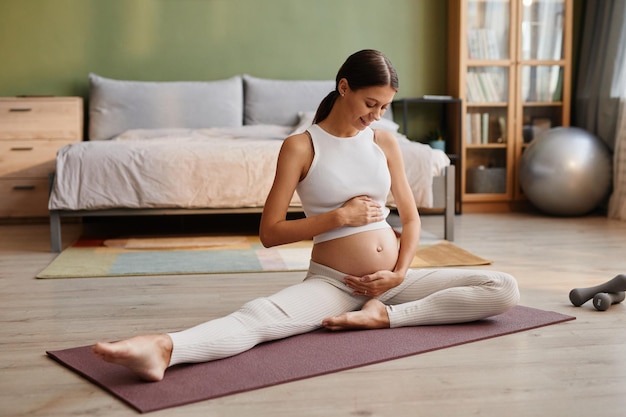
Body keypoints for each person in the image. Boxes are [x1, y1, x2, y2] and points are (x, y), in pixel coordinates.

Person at [92, 50, 520, 382]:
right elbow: (270, 233)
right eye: (370, 103)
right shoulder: (301, 146)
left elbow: (411, 220)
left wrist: (399, 273)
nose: (376, 116)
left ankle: (384, 318)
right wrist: (339, 218)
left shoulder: (384, 144)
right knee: (259, 318)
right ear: (344, 87)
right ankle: (163, 349)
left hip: (395, 282)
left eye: (384, 108)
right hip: (337, 284)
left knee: (502, 287)